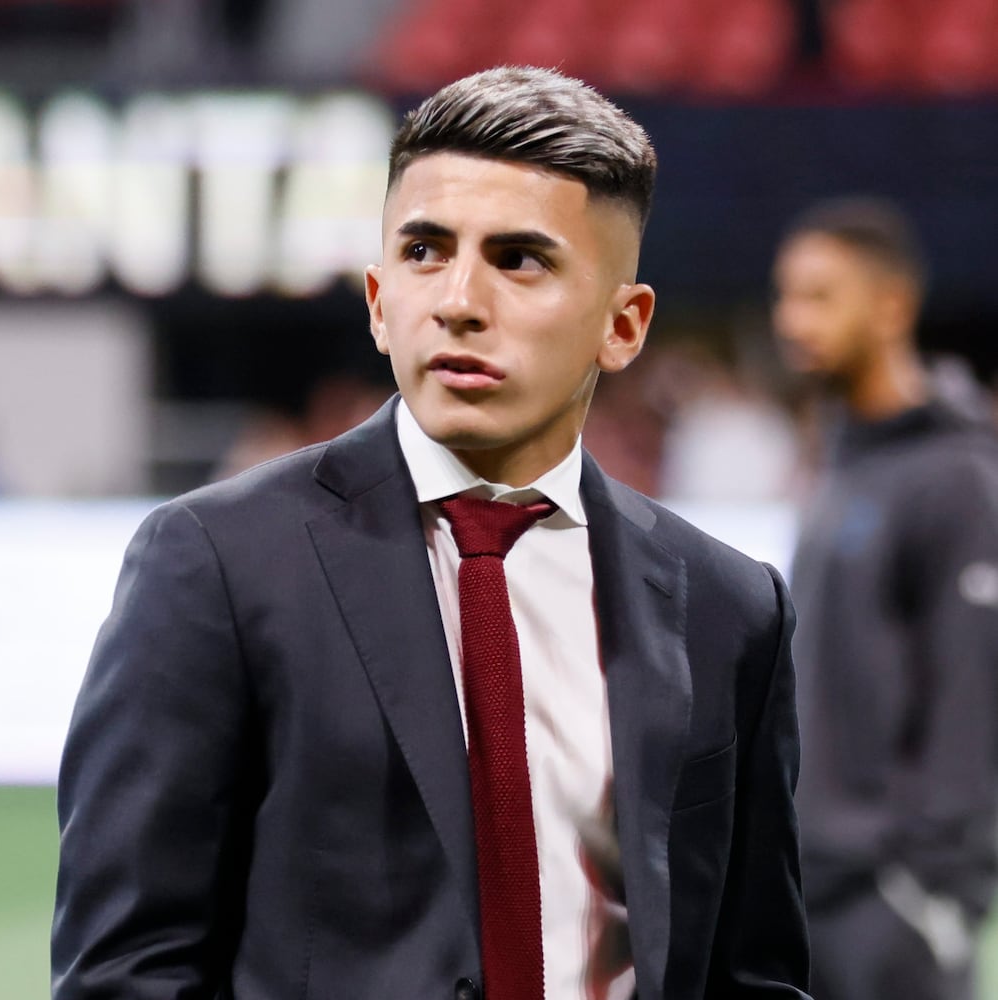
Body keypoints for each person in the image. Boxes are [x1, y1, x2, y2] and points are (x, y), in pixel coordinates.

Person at [54, 66, 810, 1000]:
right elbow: (125, 969)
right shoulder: (217, 564)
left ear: (623, 325)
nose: (458, 301)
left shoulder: (729, 608)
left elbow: (754, 972)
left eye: (519, 260)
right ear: (379, 301)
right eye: (424, 251)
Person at [771, 197, 998, 1000]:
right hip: (814, 886)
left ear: (892, 305)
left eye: (819, 296)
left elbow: (970, 696)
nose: (792, 320)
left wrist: (931, 885)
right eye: (787, 296)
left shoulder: (956, 476)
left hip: (891, 900)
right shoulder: (844, 461)